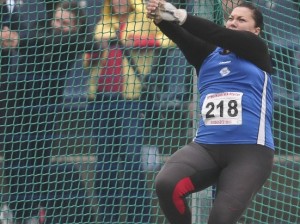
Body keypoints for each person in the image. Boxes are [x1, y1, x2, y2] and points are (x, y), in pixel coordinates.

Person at [146, 1, 275, 223]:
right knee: (166, 184)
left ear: (256, 31)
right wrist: (160, 17)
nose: (233, 22)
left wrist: (179, 15)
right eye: (231, 18)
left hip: (249, 153)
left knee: (221, 219)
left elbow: (215, 33)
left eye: (241, 20)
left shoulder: (257, 50)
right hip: (207, 147)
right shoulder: (206, 55)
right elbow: (181, 36)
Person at [2, 1, 100, 223]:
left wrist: (18, 40)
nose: (59, 25)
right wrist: (14, 38)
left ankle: (30, 214)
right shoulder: (39, 29)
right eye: (57, 20)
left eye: (65, 22)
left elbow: (51, 43)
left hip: (44, 115)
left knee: (35, 165)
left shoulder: (75, 40)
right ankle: (18, 214)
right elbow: (38, 39)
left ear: (76, 26)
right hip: (17, 110)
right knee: (14, 165)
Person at [85, 0, 159, 222]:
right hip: (99, 100)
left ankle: (140, 218)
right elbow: (87, 61)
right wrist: (96, 53)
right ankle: (109, 217)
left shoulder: (145, 19)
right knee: (104, 163)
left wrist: (135, 42)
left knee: (131, 161)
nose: (117, 3)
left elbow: (167, 41)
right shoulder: (102, 22)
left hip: (131, 100)